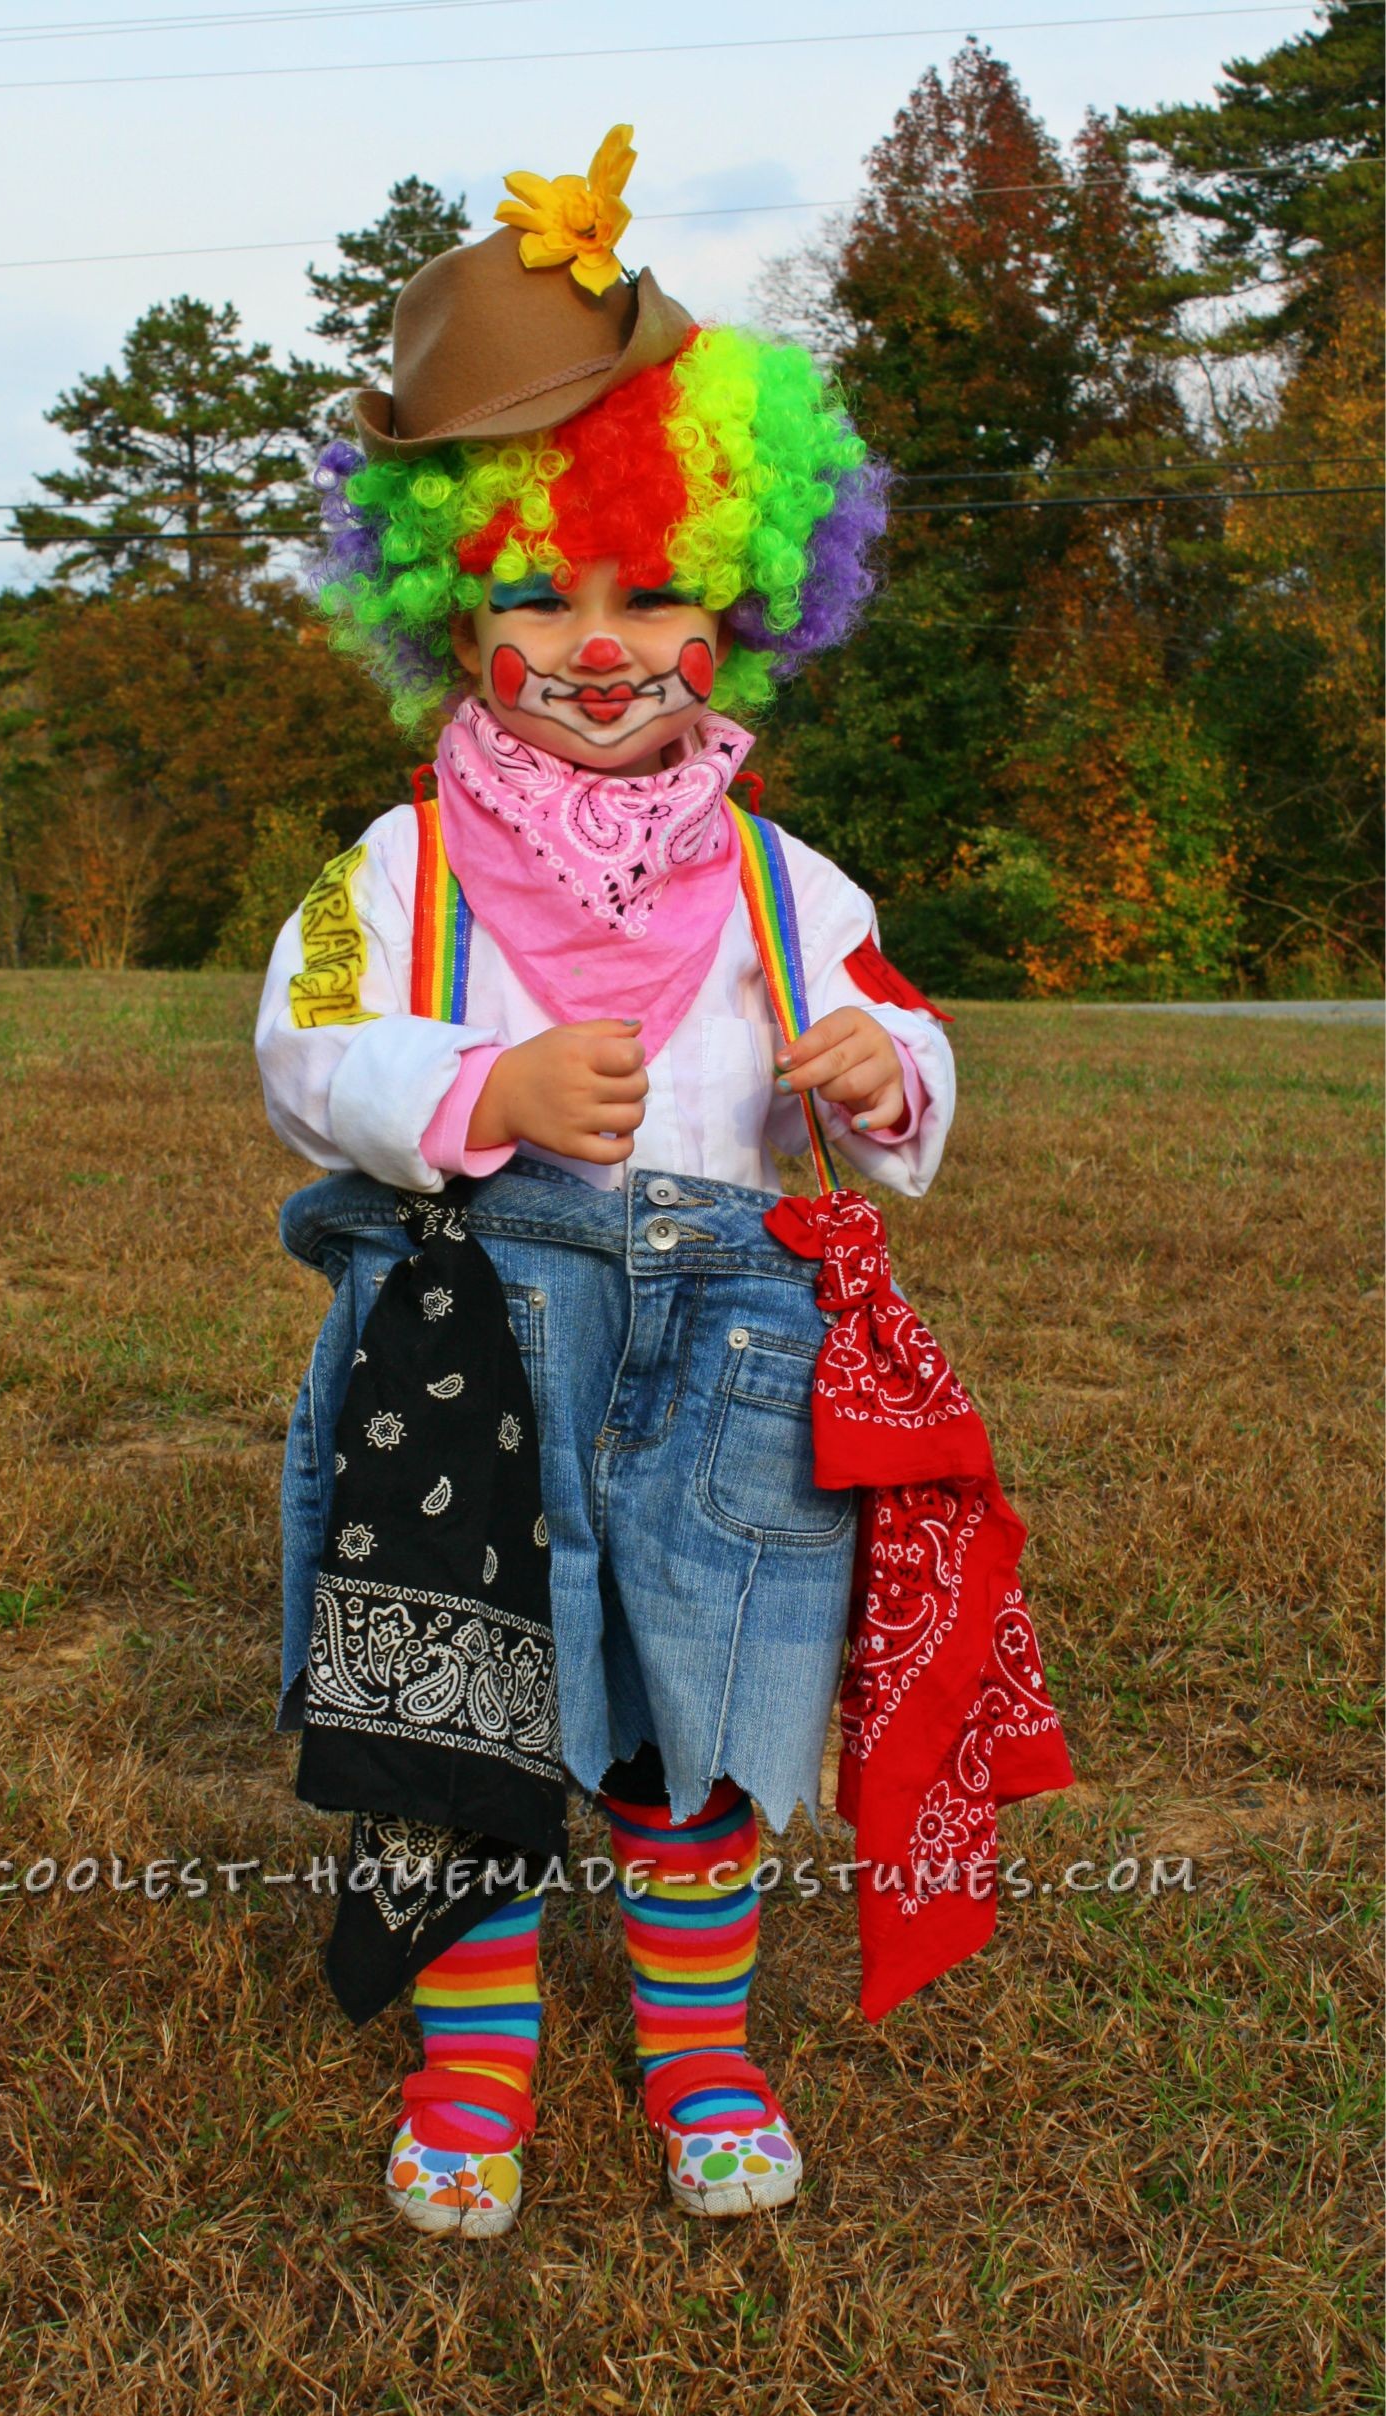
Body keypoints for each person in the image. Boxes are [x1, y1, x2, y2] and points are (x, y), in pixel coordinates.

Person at [255, 126, 956, 2237]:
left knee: (706, 1715)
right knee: (474, 1703)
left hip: (732, 1357)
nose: (593, 639)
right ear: (447, 604)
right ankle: (475, 2062)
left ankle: (699, 2041)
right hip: (481, 1339)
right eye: (536, 591)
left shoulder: (785, 875)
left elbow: (913, 1036)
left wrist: (880, 1064)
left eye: (649, 590)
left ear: (731, 611)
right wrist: (475, 1083)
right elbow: (299, 1040)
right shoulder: (398, 859)